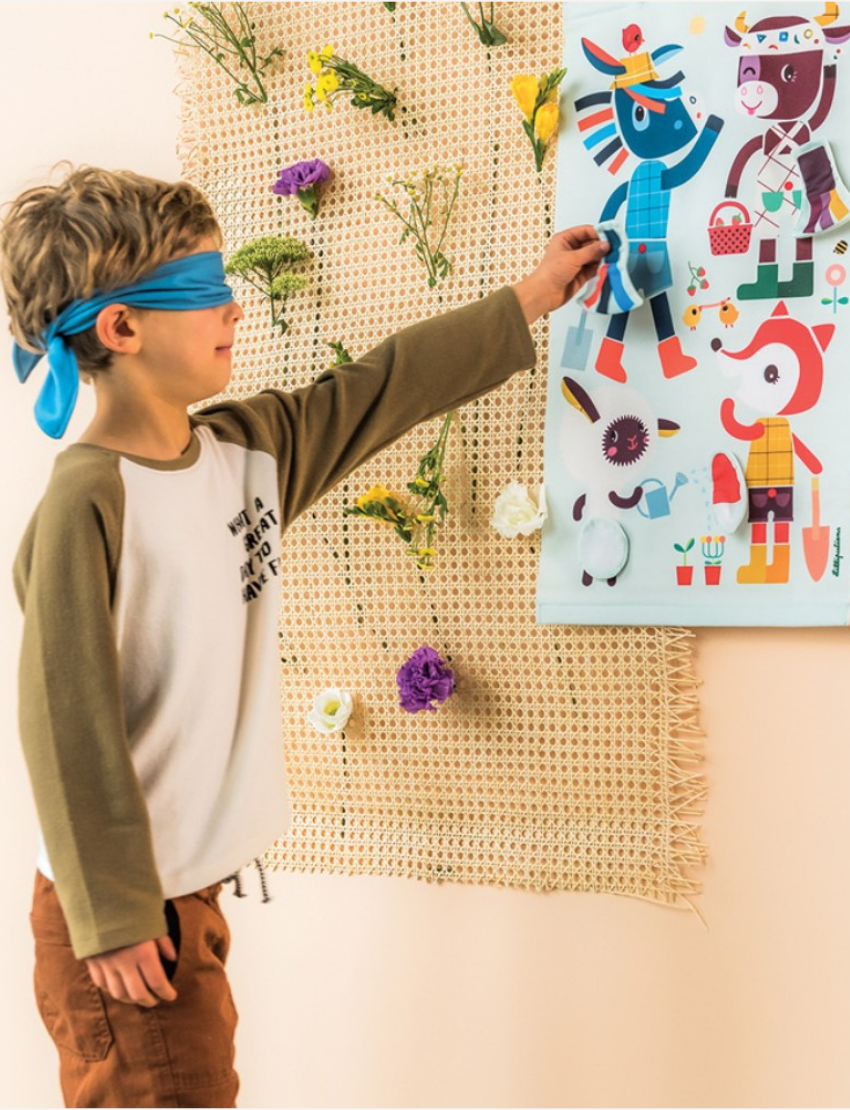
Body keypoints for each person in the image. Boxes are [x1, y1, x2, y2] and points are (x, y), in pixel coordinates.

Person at [1, 164, 608, 1109]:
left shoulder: (245, 451)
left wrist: (532, 296)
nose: (232, 306)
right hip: (123, 922)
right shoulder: (90, 498)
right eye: (203, 290)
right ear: (122, 328)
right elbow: (63, 721)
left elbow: (381, 389)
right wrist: (112, 915)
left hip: (184, 900)